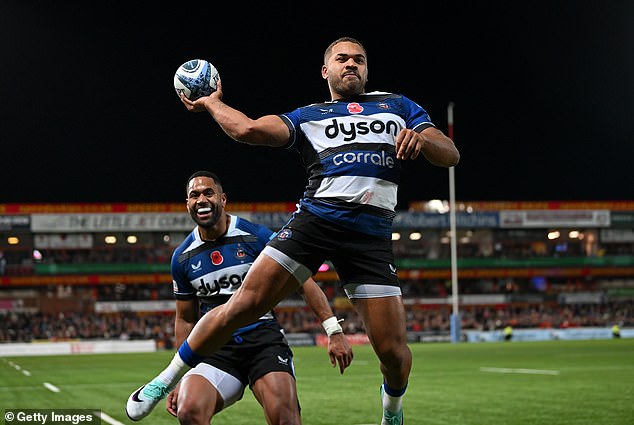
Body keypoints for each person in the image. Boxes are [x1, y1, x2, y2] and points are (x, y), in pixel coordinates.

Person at [127, 36, 460, 425]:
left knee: (393, 352)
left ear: (367, 69)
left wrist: (421, 138)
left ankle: (392, 411)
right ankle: (164, 381)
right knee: (242, 306)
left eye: (359, 60)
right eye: (342, 59)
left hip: (369, 237)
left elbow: (449, 154)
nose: (351, 64)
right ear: (326, 70)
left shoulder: (400, 107)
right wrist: (212, 103)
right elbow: (248, 130)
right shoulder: (308, 116)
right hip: (315, 222)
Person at [130, 170, 353, 424]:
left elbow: (302, 281)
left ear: (223, 199)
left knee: (285, 418)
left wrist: (333, 329)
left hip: (262, 342)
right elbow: (185, 320)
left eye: (208, 193)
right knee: (189, 411)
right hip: (216, 349)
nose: (201, 199)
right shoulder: (182, 257)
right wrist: (182, 375)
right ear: (188, 204)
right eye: (194, 195)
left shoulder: (255, 237)